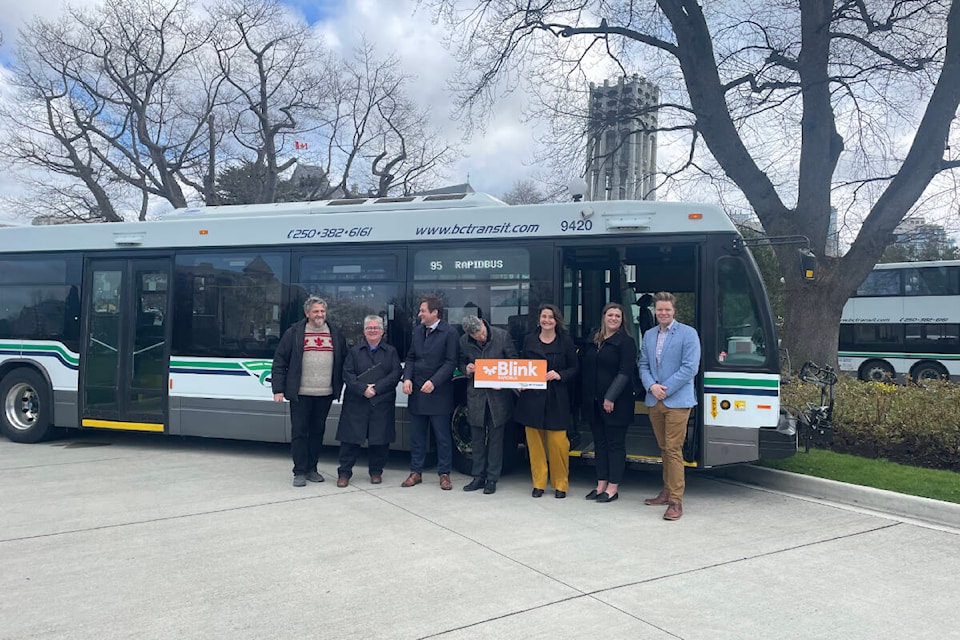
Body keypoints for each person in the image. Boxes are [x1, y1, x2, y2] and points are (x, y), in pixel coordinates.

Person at [639, 291, 701, 520]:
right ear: (654, 312)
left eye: (667, 309)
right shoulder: (648, 335)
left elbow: (690, 368)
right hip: (654, 400)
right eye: (659, 310)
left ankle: (676, 501)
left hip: (677, 401)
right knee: (664, 448)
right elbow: (643, 364)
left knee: (673, 449)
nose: (663, 313)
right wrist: (651, 386)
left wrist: (664, 388)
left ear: (674, 311)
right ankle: (665, 492)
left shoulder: (688, 334)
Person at [272, 296, 347, 487]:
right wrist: (278, 389)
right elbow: (280, 361)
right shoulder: (294, 333)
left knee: (317, 432)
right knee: (299, 432)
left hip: (325, 393)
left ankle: (312, 469)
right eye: (316, 311)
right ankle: (299, 471)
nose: (320, 314)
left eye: (322, 311)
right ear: (307, 313)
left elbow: (345, 360)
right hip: (301, 393)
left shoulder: (335, 332)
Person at [513, 303, 579, 499]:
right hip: (532, 399)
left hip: (556, 398)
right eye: (544, 316)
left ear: (556, 320)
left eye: (551, 317)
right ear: (539, 319)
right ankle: (539, 483)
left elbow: (575, 368)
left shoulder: (565, 342)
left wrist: (559, 374)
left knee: (558, 444)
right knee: (535, 445)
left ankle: (561, 484)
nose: (547, 320)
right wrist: (521, 382)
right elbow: (522, 365)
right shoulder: (528, 340)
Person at [334, 315, 402, 487]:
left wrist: (377, 388)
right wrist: (363, 389)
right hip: (357, 401)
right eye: (369, 328)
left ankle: (376, 472)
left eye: (376, 328)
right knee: (350, 440)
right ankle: (344, 473)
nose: (372, 331)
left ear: (382, 331)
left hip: (381, 401)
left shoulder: (391, 351)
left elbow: (395, 374)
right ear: (364, 331)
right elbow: (347, 374)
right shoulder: (354, 351)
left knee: (379, 440)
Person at [580, 302, 638, 503]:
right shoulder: (595, 339)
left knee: (615, 444)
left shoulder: (626, 342)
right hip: (594, 402)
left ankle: (613, 487)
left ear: (622, 320)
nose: (614, 319)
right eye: (610, 315)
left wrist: (610, 397)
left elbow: (625, 372)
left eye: (618, 316)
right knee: (600, 443)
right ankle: (601, 483)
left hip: (616, 403)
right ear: (604, 317)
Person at [401, 296, 459, 490]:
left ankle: (444, 474)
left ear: (435, 313)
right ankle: (415, 472)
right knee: (417, 437)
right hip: (417, 392)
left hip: (439, 393)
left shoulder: (449, 333)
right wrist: (407, 378)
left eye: (422, 311)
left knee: (442, 437)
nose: (419, 315)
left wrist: (434, 382)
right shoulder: (417, 331)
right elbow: (410, 358)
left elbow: (451, 362)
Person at [458, 314, 518, 495]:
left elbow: (514, 361)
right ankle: (478, 476)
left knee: (495, 440)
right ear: (470, 335)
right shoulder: (463, 341)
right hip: (476, 396)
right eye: (477, 337)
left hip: (498, 397)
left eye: (482, 334)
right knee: (476, 439)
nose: (481, 338)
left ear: (483, 323)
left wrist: (503, 377)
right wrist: (466, 369)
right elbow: (460, 362)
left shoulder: (502, 336)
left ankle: (492, 478)